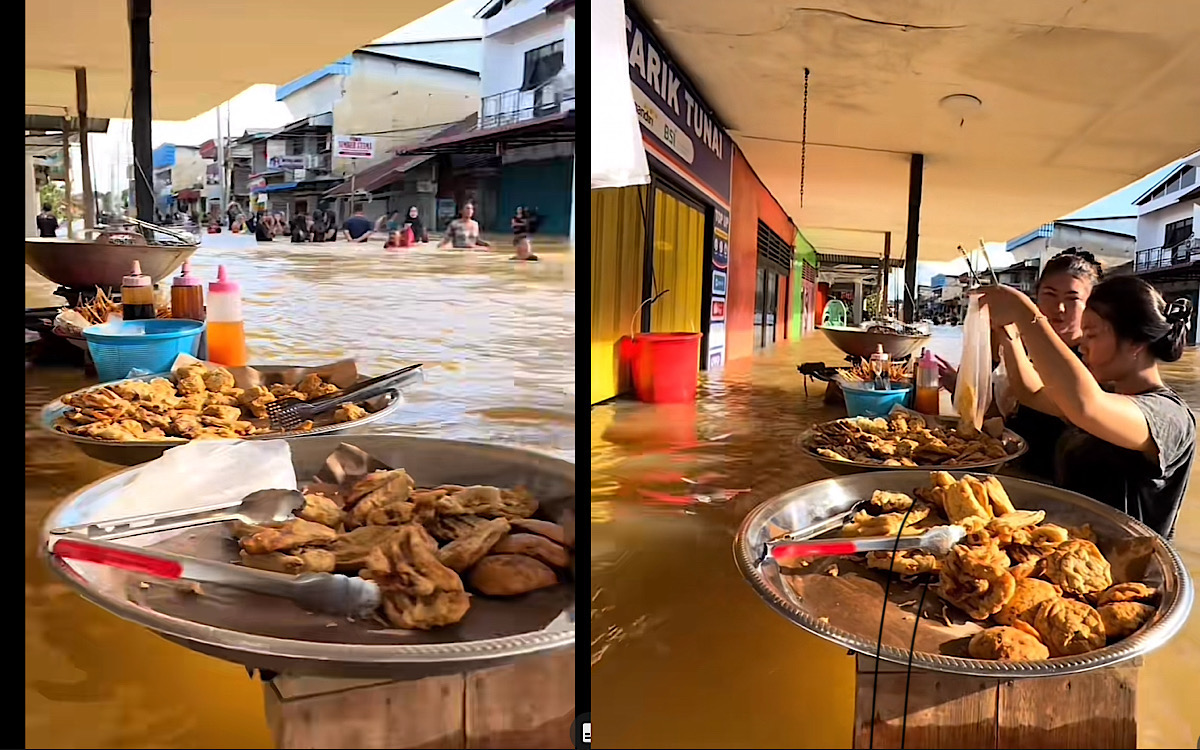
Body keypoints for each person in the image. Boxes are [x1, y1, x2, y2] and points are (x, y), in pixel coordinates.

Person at [978, 276, 1195, 538]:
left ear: (1135, 342)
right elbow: (1030, 391)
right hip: (1072, 548)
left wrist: (1025, 313)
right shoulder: (1108, 398)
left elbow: (1085, 405)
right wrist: (1010, 335)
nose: (1082, 342)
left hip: (1125, 567)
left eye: (1091, 333)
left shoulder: (1168, 416)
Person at [940, 249, 1104, 481]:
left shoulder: (1096, 359)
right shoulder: (1021, 345)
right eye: (1050, 294)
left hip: (1063, 483)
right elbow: (997, 414)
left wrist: (1015, 327)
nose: (1059, 308)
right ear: (1036, 297)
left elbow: (1034, 394)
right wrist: (963, 386)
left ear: (1089, 304)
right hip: (1011, 468)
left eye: (1072, 298)